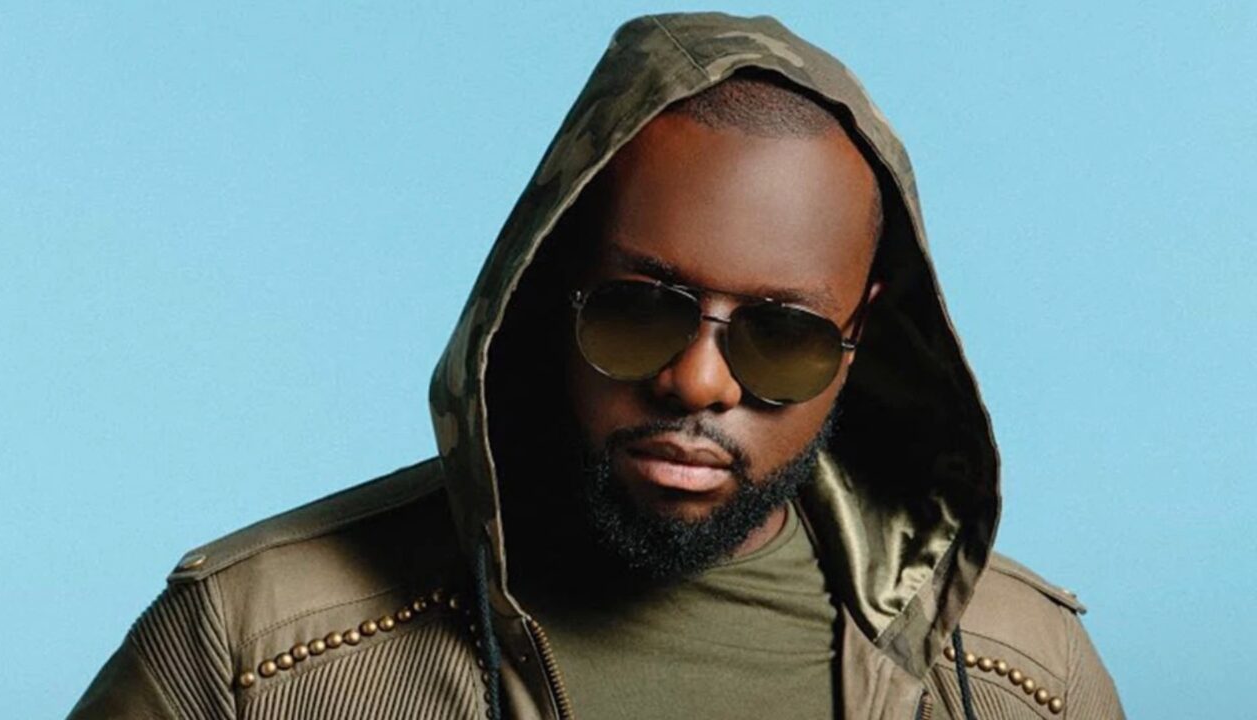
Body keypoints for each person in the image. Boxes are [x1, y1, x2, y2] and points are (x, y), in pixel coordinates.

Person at [70, 11, 1125, 720]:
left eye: (782, 335)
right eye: (638, 309)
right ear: (546, 288)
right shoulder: (255, 647)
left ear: (862, 338)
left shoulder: (1020, 671)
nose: (698, 384)